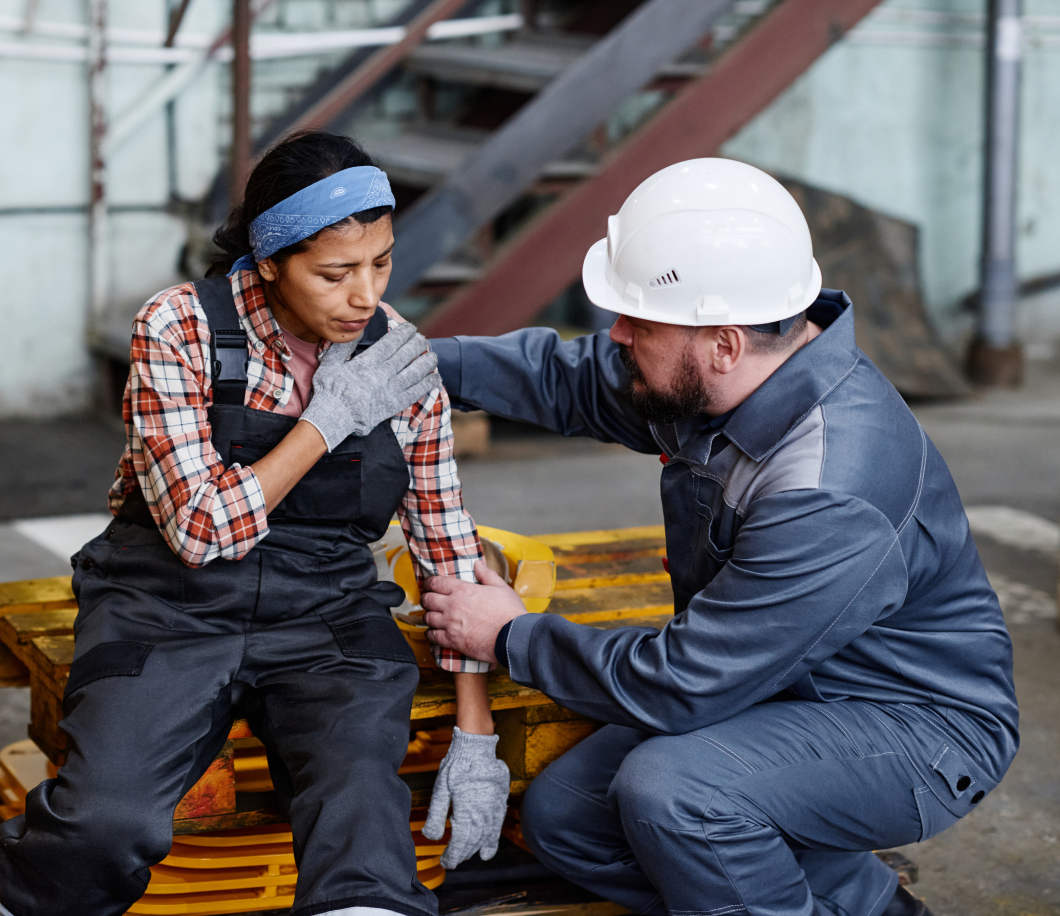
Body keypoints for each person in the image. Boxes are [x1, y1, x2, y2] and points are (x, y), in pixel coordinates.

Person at [419, 159, 1019, 916]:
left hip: (914, 725)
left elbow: (687, 682)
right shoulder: (717, 375)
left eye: (639, 321)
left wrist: (510, 636)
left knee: (676, 792)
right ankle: (865, 904)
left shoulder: (830, 486)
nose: (618, 333)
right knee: (570, 817)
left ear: (725, 343)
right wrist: (412, 367)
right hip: (785, 681)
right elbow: (566, 379)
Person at [0, 131, 509, 916]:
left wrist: (477, 735)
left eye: (381, 262)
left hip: (327, 619)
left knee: (365, 829)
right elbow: (202, 531)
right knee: (104, 823)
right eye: (334, 273)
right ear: (269, 261)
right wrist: (329, 417)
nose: (366, 296)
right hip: (168, 608)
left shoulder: (397, 361)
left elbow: (446, 543)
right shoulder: (179, 329)